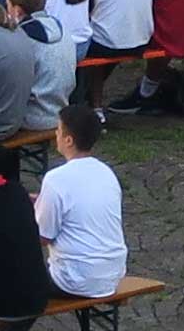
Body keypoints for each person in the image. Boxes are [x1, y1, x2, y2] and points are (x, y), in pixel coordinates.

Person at [35, 97, 129, 302]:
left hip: (73, 279)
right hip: (112, 274)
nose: (55, 134)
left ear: (68, 140)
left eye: (58, 130)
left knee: (15, 286)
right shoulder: (106, 172)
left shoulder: (56, 179)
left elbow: (43, 236)